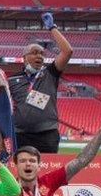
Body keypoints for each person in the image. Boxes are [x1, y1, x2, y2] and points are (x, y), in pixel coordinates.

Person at [9, 13, 73, 153]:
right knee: (21, 172)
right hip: (20, 134)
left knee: (47, 172)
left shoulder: (50, 73)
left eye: (42, 53)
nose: (39, 56)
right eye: (34, 52)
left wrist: (52, 28)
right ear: (24, 58)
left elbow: (67, 51)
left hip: (47, 133)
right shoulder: (12, 80)